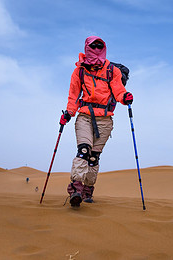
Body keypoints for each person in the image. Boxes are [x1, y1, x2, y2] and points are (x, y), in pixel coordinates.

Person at [60, 36, 133, 207]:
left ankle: (87, 191)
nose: (97, 48)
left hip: (105, 120)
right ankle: (76, 189)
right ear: (87, 47)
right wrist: (68, 114)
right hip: (85, 116)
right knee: (84, 151)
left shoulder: (112, 71)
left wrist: (125, 97)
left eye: (99, 46)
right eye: (94, 46)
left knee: (94, 158)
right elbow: (73, 95)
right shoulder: (79, 71)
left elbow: (118, 90)